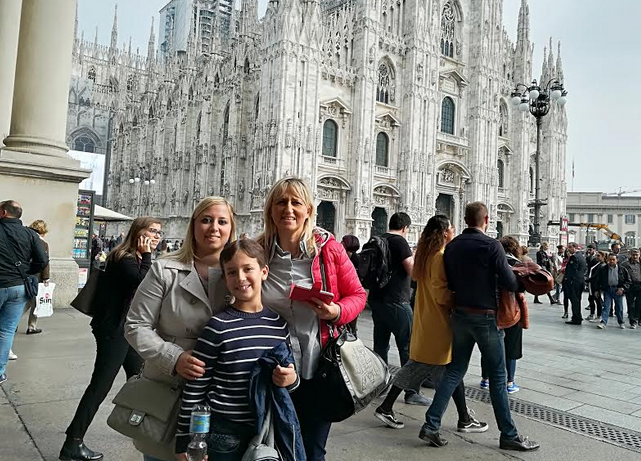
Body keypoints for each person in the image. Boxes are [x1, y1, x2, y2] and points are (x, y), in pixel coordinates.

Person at [257, 177, 366, 461]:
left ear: (309, 210)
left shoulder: (328, 249)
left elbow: (357, 294)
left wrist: (336, 312)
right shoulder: (258, 251)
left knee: (313, 449)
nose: (288, 209)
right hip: (272, 367)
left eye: (296, 203)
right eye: (281, 202)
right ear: (270, 210)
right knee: (275, 444)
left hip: (320, 366)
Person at [419, 202, 539, 451]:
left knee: (454, 371)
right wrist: (522, 282)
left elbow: (449, 280)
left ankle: (431, 425)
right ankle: (508, 434)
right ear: (486, 220)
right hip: (486, 318)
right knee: (498, 376)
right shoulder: (491, 245)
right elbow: (508, 280)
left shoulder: (451, 246)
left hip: (460, 314)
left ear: (465, 220)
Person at [125, 197, 236, 461]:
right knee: (161, 454)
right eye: (206, 220)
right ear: (193, 225)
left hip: (222, 393)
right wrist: (173, 357)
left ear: (232, 228)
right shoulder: (165, 269)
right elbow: (136, 325)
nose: (214, 228)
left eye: (222, 221)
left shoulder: (239, 274)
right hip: (168, 388)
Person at [175, 238, 299, 461]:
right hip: (224, 433)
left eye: (247, 269)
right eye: (232, 272)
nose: (240, 278)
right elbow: (196, 388)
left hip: (267, 431)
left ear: (264, 272)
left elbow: (290, 374)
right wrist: (187, 440)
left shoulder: (279, 324)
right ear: (224, 278)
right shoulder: (217, 326)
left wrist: (290, 379)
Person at [60, 217, 161, 461]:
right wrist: (147, 256)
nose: (157, 236)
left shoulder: (132, 257)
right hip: (114, 330)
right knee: (100, 386)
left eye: (159, 232)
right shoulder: (124, 257)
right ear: (139, 233)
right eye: (152, 231)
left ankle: (139, 426)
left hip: (125, 330)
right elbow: (142, 281)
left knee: (139, 378)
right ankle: (73, 443)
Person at [374, 215, 487, 433]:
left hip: (426, 317)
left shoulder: (425, 254)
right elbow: (441, 293)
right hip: (439, 321)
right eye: (452, 228)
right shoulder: (439, 256)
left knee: (426, 366)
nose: (454, 230)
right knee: (449, 369)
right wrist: (459, 298)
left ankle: (387, 407)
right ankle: (462, 419)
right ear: (445, 232)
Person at [367, 212, 430, 406]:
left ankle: (379, 385)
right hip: (397, 301)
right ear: (405, 228)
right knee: (409, 347)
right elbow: (413, 271)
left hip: (377, 300)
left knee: (381, 345)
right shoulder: (399, 242)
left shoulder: (377, 239)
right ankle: (412, 392)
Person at [0, 200, 48, 386]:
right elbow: (42, 259)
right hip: (19, 287)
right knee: (6, 331)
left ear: (3, 212)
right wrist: (27, 271)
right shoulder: (30, 234)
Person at [481, 237, 526, 395]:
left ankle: (486, 378)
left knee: (488, 345)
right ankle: (510, 382)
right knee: (511, 346)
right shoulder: (516, 264)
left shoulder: (489, 261)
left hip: (490, 309)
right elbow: (520, 288)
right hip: (510, 311)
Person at [19, 220, 51, 335]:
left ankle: (13, 322)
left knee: (24, 301)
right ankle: (32, 326)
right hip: (36, 276)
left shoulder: (23, 239)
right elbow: (45, 262)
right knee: (36, 302)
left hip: (22, 274)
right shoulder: (43, 244)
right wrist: (46, 278)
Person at [595, 253, 631, 330]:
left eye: (613, 260)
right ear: (607, 260)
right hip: (607, 289)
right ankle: (603, 322)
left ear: (617, 260)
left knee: (619, 308)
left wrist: (622, 288)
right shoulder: (603, 269)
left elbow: (628, 281)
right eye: (610, 259)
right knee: (606, 306)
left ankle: (621, 322)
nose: (611, 261)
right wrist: (597, 290)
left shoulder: (622, 269)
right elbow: (598, 280)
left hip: (618, 290)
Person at [563, 242, 587, 326]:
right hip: (580, 281)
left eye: (569, 247)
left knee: (575, 300)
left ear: (575, 248)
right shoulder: (582, 256)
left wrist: (568, 281)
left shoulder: (574, 257)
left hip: (574, 282)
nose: (568, 249)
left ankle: (576, 318)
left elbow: (572, 271)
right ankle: (578, 316)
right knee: (577, 299)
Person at [622, 249, 641, 328]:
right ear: (630, 254)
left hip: (639, 285)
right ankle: (632, 321)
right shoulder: (625, 264)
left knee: (639, 303)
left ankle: (638, 319)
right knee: (631, 304)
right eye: (633, 255)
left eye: (636, 255)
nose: (635, 256)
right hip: (630, 286)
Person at [586, 251, 606, 322]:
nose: (596, 257)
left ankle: (599, 316)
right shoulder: (597, 264)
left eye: (598, 256)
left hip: (596, 285)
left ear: (603, 257)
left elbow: (596, 276)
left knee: (597, 300)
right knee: (591, 298)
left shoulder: (601, 265)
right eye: (596, 255)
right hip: (592, 284)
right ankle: (592, 314)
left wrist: (587, 280)